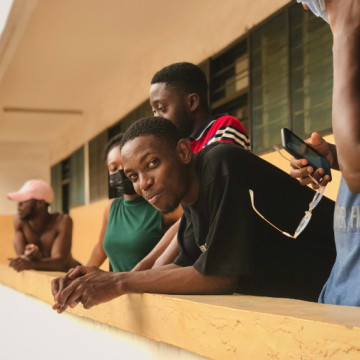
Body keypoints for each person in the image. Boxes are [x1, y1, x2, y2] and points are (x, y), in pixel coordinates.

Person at [51, 117, 335, 312]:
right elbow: (180, 268)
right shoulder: (191, 199)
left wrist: (118, 282)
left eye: (152, 163)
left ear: (184, 152)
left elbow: (219, 277)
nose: (143, 183)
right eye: (132, 175)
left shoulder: (219, 163)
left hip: (340, 284)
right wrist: (98, 277)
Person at [133, 62, 251, 270]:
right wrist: (141, 268)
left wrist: (152, 268)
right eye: (154, 112)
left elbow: (201, 205)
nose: (157, 118)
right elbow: (189, 216)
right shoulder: (179, 148)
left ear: (192, 102)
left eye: (162, 109)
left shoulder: (225, 128)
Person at [289, 0, 360, 306]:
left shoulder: (347, 39)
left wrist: (344, 26)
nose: (307, 7)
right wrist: (334, 156)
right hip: (339, 296)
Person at [85, 133, 181, 272]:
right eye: (113, 168)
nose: (120, 171)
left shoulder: (161, 204)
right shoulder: (111, 207)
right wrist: (79, 275)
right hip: (117, 291)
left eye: (124, 165)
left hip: (151, 290)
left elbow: (191, 220)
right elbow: (101, 248)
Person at [7, 179, 80, 272]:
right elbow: (22, 259)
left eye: (24, 201)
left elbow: (60, 262)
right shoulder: (19, 220)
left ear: (40, 203)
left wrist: (31, 263)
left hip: (73, 276)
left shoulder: (62, 221)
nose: (19, 205)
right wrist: (28, 258)